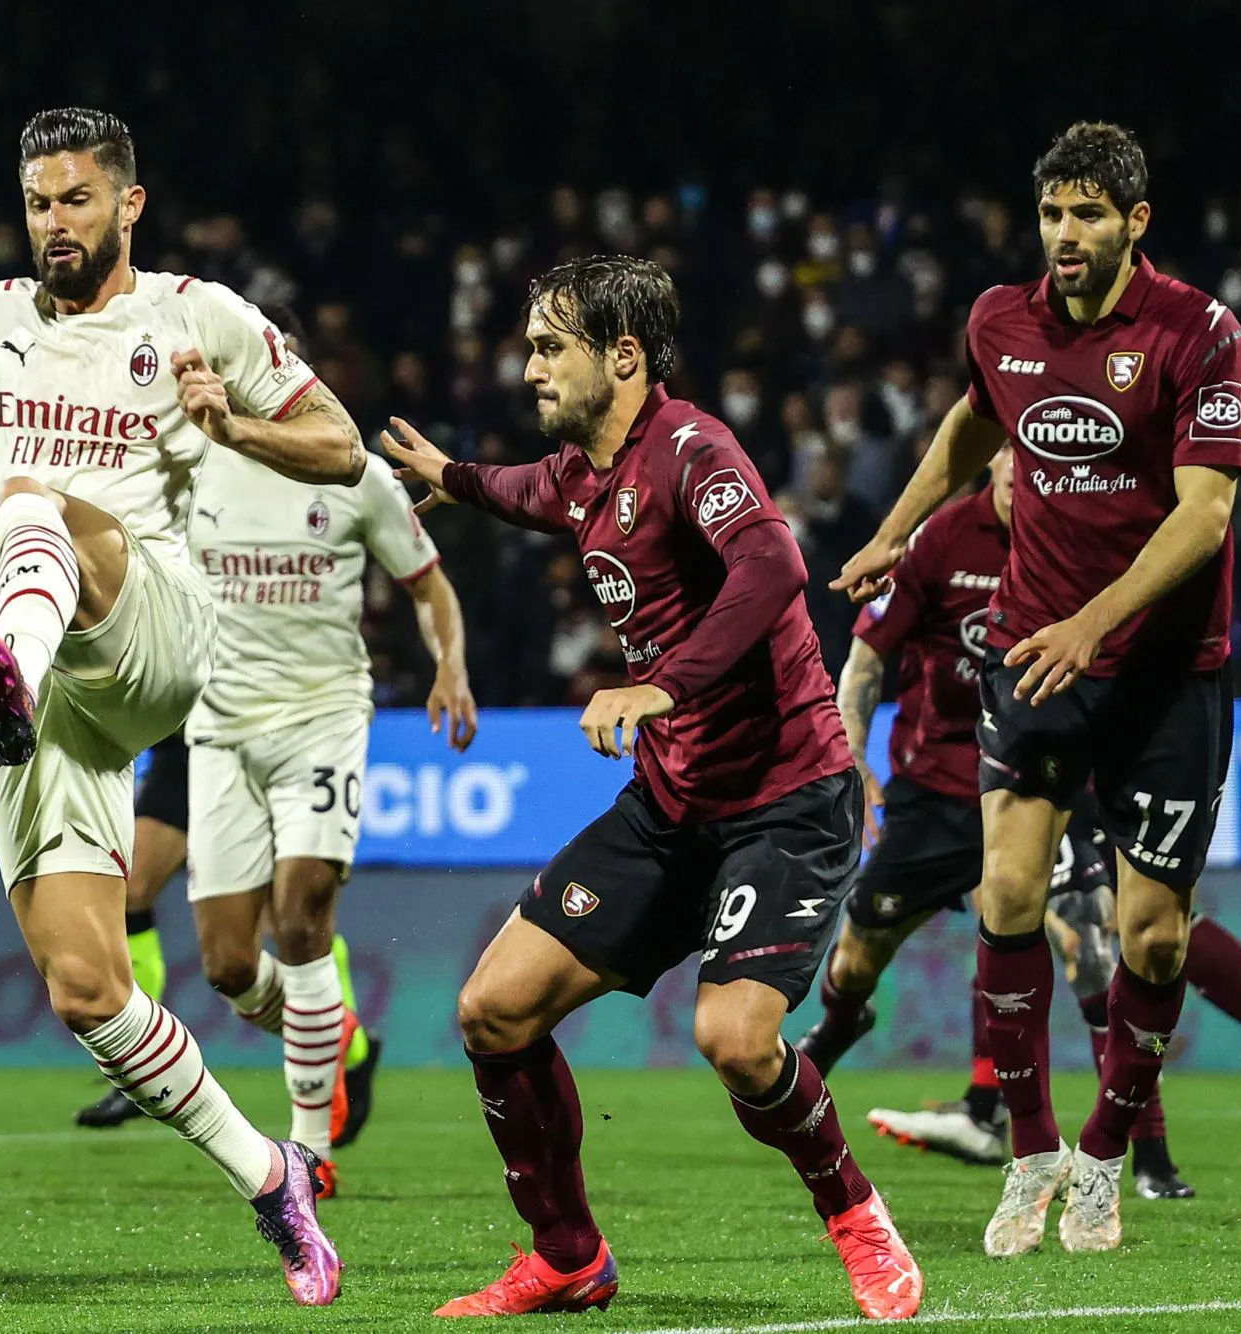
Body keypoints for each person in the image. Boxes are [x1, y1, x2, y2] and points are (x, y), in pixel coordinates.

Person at [0, 108, 356, 1306]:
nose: (54, 224)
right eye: (37, 204)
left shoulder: (194, 313)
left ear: (129, 204)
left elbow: (341, 442)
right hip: (50, 674)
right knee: (87, 987)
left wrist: (235, 422)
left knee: (36, 508)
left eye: (75, 199)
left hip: (152, 620)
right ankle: (272, 1178)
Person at [383, 256, 921, 1320]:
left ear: (622, 356)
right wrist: (447, 475)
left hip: (786, 799)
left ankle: (857, 1213)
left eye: (550, 346)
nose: (528, 364)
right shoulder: (584, 469)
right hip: (673, 808)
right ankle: (568, 1253)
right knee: (492, 1009)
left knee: (734, 1038)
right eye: (530, 344)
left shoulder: (691, 448)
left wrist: (658, 685)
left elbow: (771, 568)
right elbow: (523, 491)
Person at [835, 121, 1241, 1255]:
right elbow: (976, 418)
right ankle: (1030, 1155)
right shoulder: (1000, 319)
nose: (1064, 236)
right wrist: (896, 529)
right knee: (1007, 894)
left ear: (1136, 222)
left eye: (1087, 215)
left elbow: (1206, 514)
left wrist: (1096, 620)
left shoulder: (1199, 334)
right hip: (1034, 652)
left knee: (1152, 938)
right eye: (1052, 214)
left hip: (1165, 673)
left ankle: (1105, 1159)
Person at [801, 445, 1241, 1201]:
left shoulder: (1078, 534)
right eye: (1009, 470)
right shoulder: (942, 540)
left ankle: (1141, 1155)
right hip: (936, 789)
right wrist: (850, 760)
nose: (1023, 484)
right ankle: (913, 1072)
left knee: (1103, 938)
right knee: (863, 954)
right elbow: (866, 657)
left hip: (1057, 764)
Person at [73, 307, 398, 1156]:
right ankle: (328, 1040)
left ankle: (333, 1051)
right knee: (149, 902)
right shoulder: (178, 453)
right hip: (190, 712)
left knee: (275, 922)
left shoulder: (297, 457)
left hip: (268, 712)